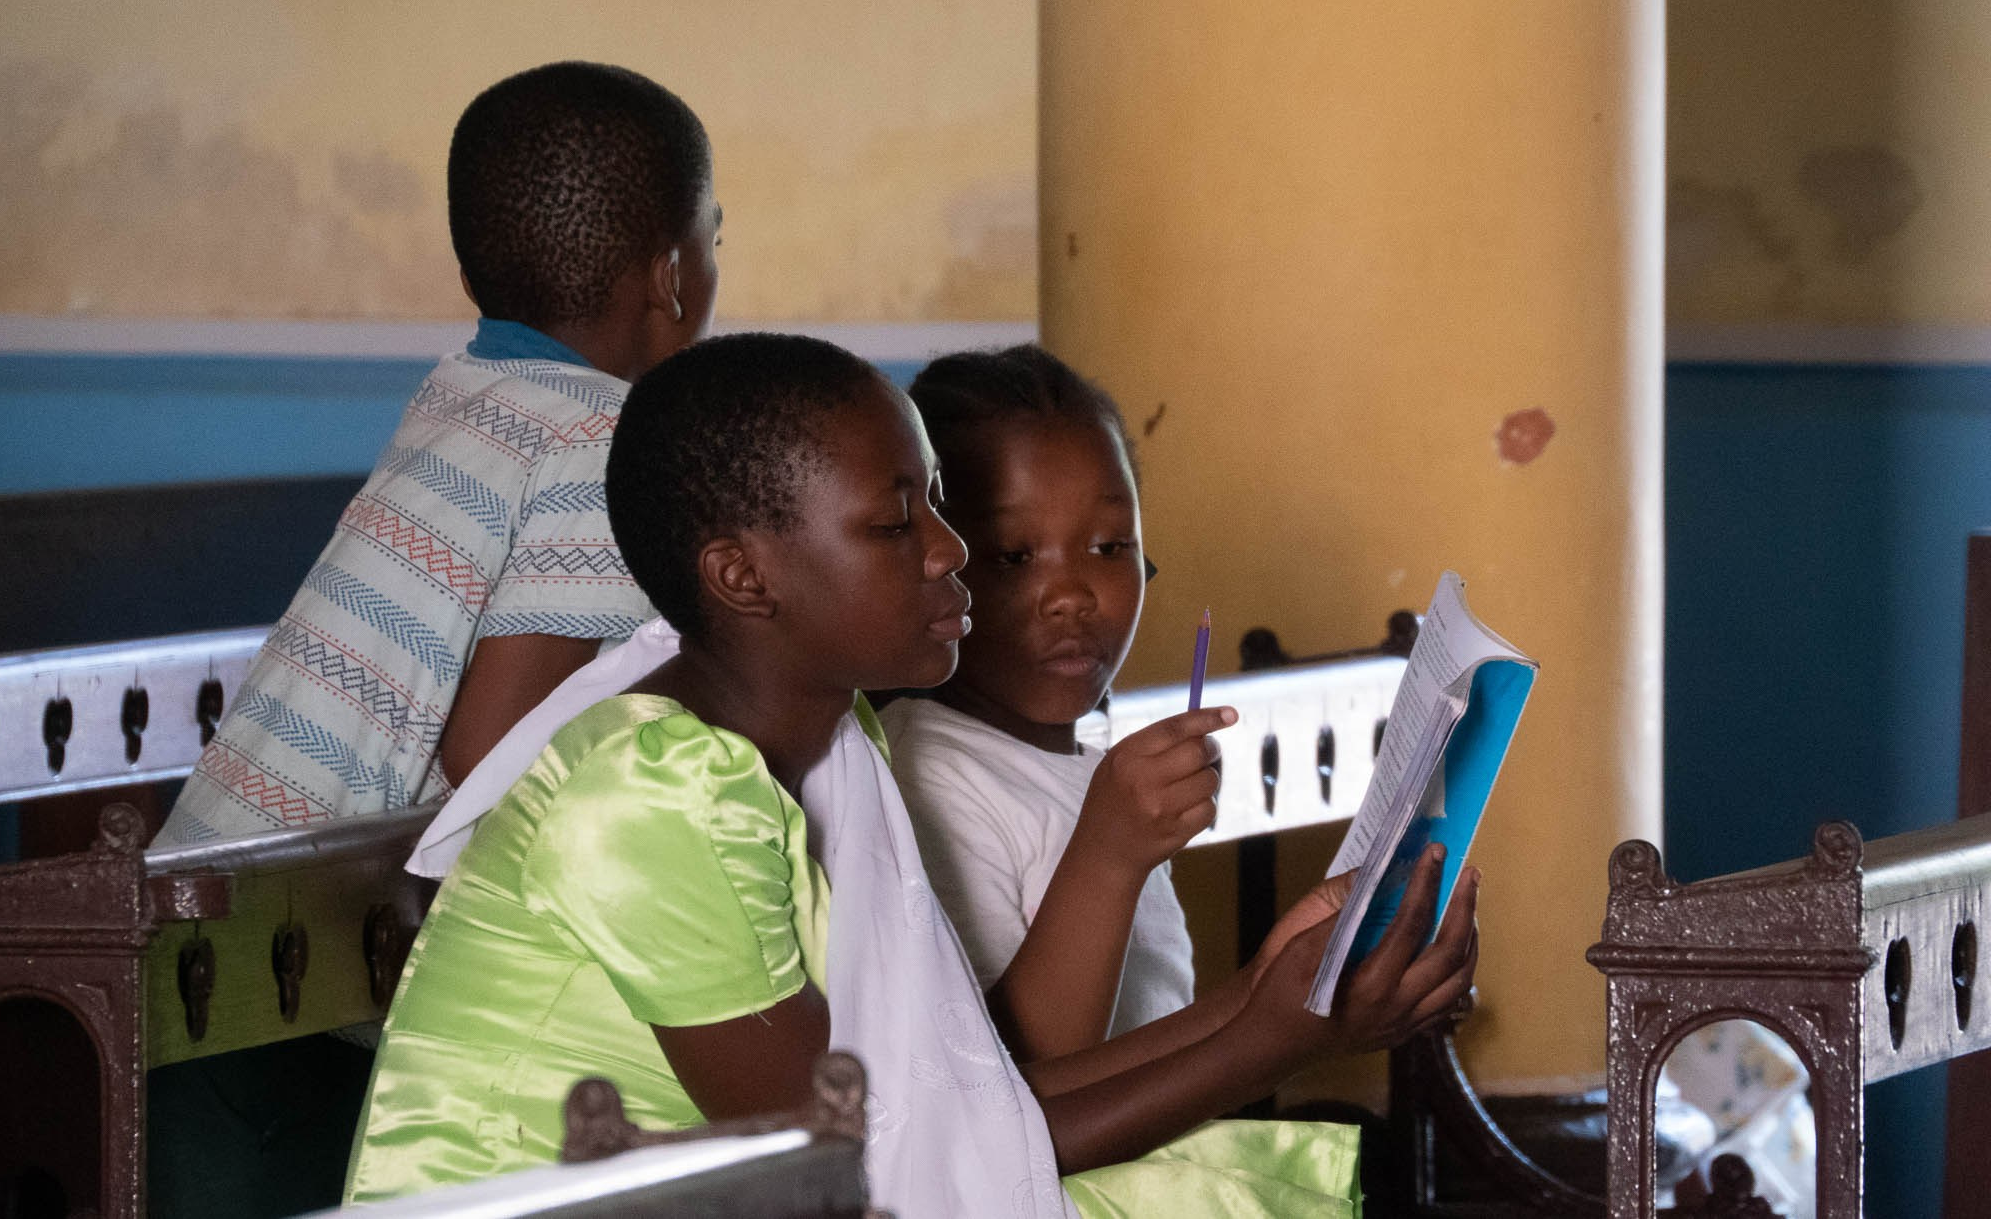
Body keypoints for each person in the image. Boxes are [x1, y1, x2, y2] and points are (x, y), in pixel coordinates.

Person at [343, 333, 1479, 1217]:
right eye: (898, 524)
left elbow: (956, 1109)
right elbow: (865, 1163)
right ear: (744, 576)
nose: (948, 551)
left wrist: (1275, 994)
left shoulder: (831, 745)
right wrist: (1267, 1039)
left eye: (934, 504)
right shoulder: (645, 793)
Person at [152, 62, 721, 848]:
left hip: (213, 861)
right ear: (673, 279)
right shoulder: (610, 438)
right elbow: (498, 758)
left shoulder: (463, 391)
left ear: (470, 275)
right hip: (293, 917)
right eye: (712, 238)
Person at [879, 344, 1201, 1061]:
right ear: (930, 562)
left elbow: (1154, 1034)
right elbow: (1003, 1082)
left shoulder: (1097, 775)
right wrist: (1110, 851)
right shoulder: (926, 775)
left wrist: (1308, 988)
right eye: (1015, 556)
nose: (1072, 595)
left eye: (1110, 545)